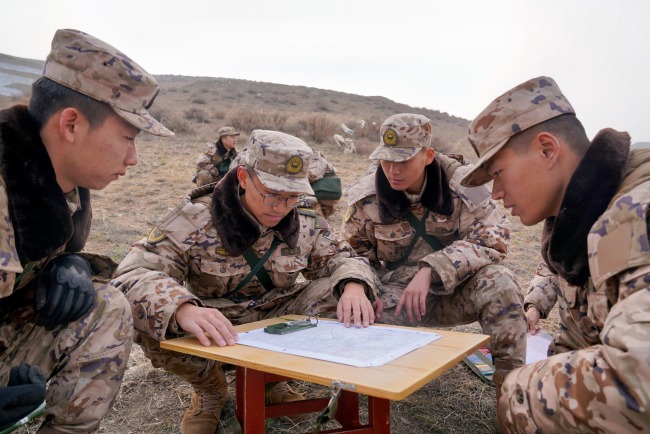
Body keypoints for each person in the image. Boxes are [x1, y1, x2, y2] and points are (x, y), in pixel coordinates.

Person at [111, 129, 377, 434]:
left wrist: (354, 285)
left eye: (291, 196)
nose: (280, 207)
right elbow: (131, 274)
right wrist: (182, 308)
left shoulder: (305, 218)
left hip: (276, 317)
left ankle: (271, 383)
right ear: (243, 178)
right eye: (272, 194)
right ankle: (210, 390)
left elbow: (343, 258)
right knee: (153, 318)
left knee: (339, 295)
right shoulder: (195, 217)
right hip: (213, 322)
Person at [0, 28, 173, 433]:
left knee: (103, 305)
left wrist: (72, 263)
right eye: (128, 138)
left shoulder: (59, 189)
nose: (133, 159)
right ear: (72, 125)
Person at [460, 76, 650, 433]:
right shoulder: (583, 219)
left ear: (547, 149)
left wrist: (523, 393)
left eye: (498, 173)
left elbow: (639, 379)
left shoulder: (637, 214)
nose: (496, 193)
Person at [340, 113, 527, 400]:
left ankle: (511, 394)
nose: (393, 170)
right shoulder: (367, 198)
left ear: (428, 156)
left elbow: (494, 239)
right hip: (397, 295)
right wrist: (360, 286)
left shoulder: (464, 185)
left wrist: (432, 269)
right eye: (386, 160)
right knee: (349, 312)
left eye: (403, 160)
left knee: (501, 283)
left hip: (455, 290)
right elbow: (351, 253)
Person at [231, 147, 342, 219]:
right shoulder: (246, 158)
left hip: (325, 191)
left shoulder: (316, 159)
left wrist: (294, 181)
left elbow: (313, 174)